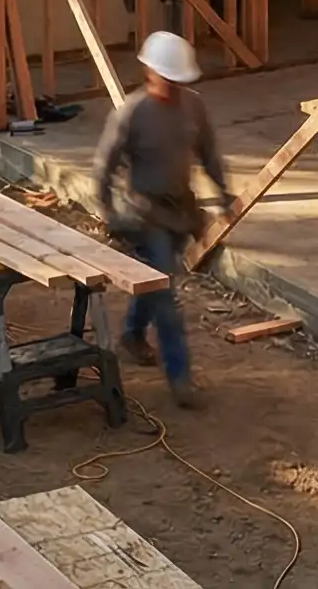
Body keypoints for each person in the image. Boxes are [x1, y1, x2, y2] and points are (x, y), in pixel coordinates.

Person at [92, 29, 229, 409]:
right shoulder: (133, 113)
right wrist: (107, 212)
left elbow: (209, 152)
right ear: (150, 73)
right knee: (166, 294)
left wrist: (222, 192)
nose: (171, 86)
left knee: (154, 282)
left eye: (177, 80)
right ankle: (180, 377)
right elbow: (105, 166)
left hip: (180, 212)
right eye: (165, 78)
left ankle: (132, 335)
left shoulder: (193, 107)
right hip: (144, 213)